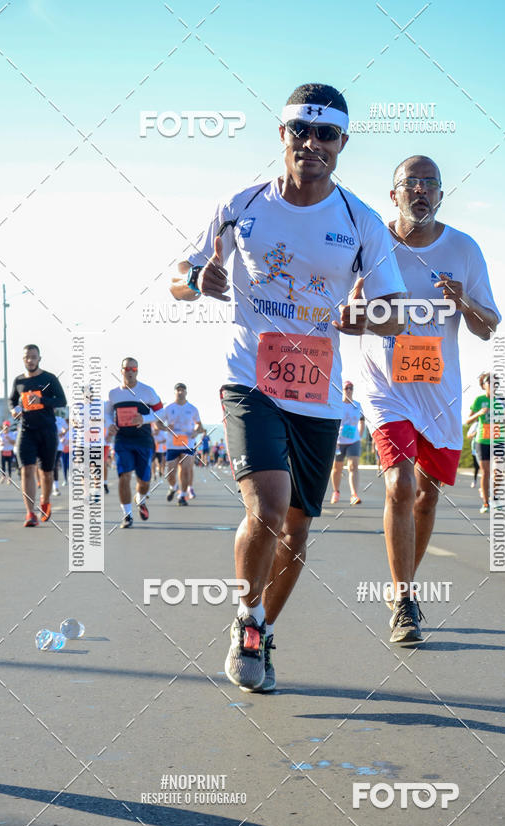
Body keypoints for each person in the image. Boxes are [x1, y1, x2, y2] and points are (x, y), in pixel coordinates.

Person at [171, 82, 405, 692]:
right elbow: (178, 274)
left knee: (297, 528)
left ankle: (263, 630)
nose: (312, 143)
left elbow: (395, 313)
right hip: (250, 376)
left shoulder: (360, 220)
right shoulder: (241, 203)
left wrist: (365, 315)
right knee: (268, 509)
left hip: (317, 391)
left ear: (342, 143)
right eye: (301, 130)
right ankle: (246, 619)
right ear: (282, 135)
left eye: (326, 133)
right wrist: (197, 279)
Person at [360, 155, 500, 644]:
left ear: (440, 194)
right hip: (386, 388)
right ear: (393, 194)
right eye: (411, 183)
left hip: (438, 392)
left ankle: (403, 584)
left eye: (430, 184)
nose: (420, 190)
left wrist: (464, 302)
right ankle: (404, 601)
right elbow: (342, 313)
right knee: (399, 484)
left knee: (426, 495)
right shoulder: (371, 243)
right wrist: (355, 307)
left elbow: (488, 326)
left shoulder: (463, 249)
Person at [9, 344, 67, 526]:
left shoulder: (49, 378)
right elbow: (12, 400)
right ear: (23, 359)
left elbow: (62, 400)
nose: (30, 360)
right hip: (26, 431)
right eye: (27, 357)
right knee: (26, 470)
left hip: (47, 431)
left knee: (47, 473)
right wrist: (14, 410)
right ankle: (30, 513)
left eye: (33, 357)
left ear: (39, 358)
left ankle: (45, 500)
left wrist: (42, 400)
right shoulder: (19, 381)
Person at [105, 357, 163, 528]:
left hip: (143, 440)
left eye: (133, 369)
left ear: (137, 371)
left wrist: (144, 419)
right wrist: (110, 425)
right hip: (123, 440)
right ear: (121, 371)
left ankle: (140, 498)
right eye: (127, 368)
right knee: (124, 476)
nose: (130, 371)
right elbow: (107, 413)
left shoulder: (147, 391)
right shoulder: (113, 393)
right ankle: (127, 515)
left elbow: (161, 412)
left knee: (144, 481)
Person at [466, 372, 503, 512]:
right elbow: (468, 421)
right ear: (483, 385)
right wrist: (479, 413)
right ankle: (486, 503)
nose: (494, 385)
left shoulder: (502, 400)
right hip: (482, 440)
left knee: (498, 471)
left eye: (496, 382)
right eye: (490, 382)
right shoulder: (479, 400)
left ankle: (495, 498)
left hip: (498, 440)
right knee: (486, 472)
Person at [161, 383, 203, 506]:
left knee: (186, 470)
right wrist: (165, 428)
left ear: (186, 392)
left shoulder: (192, 408)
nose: (180, 392)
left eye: (182, 390)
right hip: (172, 445)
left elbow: (200, 426)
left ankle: (182, 496)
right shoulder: (168, 408)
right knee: (170, 473)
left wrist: (196, 431)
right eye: (178, 390)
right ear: (174, 392)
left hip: (188, 444)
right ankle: (173, 487)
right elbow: (157, 423)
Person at [330, 380, 365, 505]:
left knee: (353, 466)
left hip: (353, 441)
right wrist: (333, 440)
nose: (349, 390)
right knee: (337, 468)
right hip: (338, 442)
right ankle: (336, 492)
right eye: (346, 388)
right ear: (342, 390)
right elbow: (332, 422)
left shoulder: (357, 405)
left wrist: (359, 435)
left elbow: (362, 421)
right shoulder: (338, 405)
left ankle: (354, 495)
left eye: (351, 388)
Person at [467, 420, 480, 487]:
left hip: (486, 446)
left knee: (486, 467)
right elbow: (468, 436)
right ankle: (474, 481)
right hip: (475, 448)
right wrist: (475, 433)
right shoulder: (475, 424)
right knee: (476, 466)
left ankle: (485, 485)